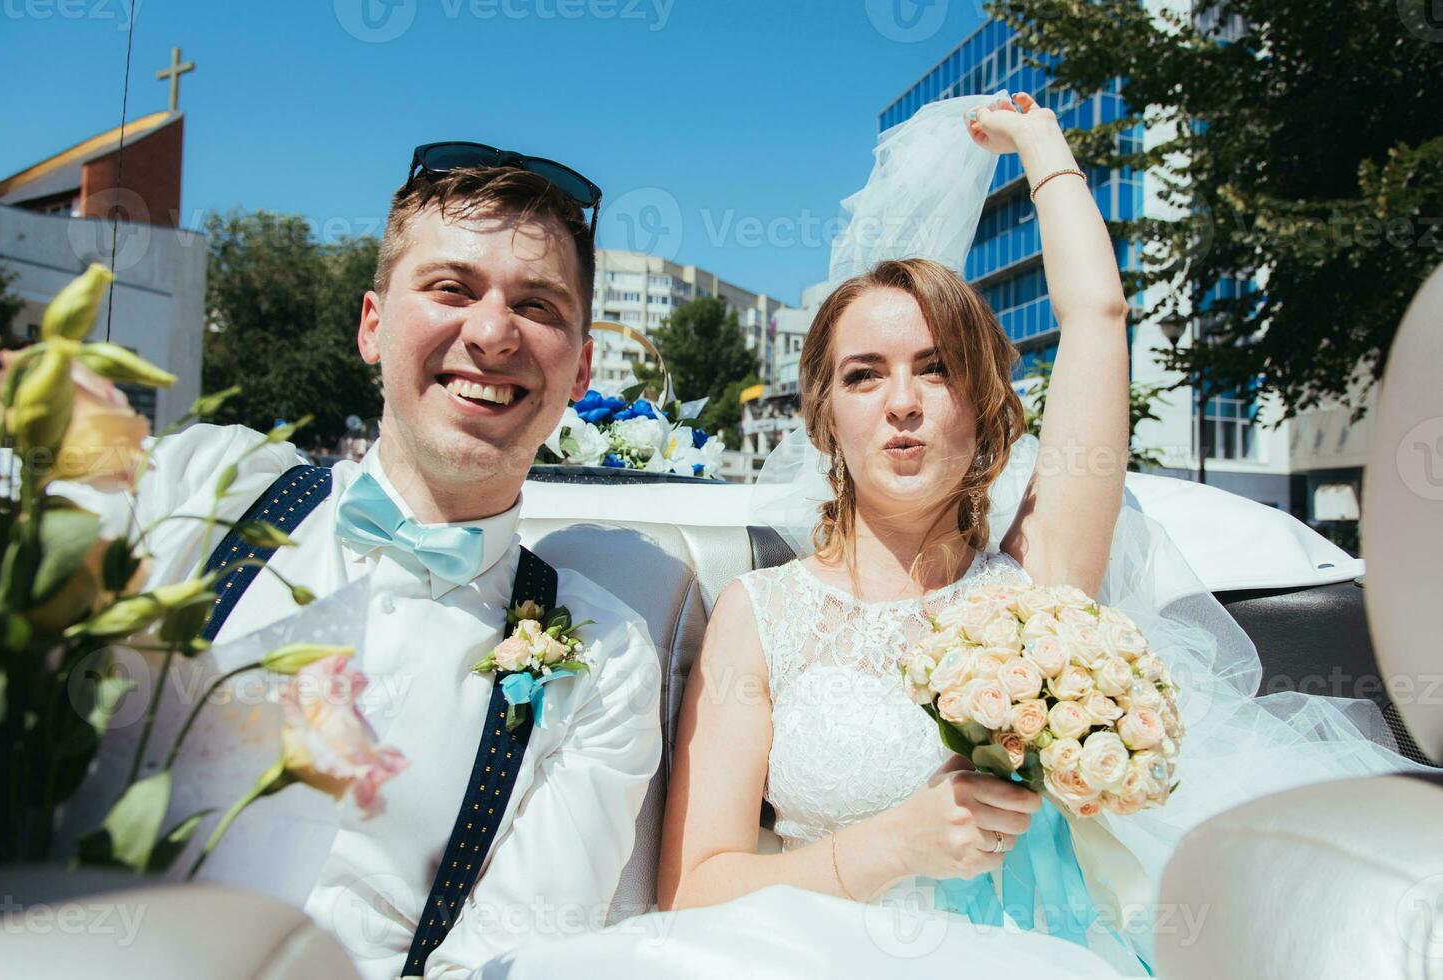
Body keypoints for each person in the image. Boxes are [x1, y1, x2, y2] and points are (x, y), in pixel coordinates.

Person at [499, 92, 1422, 977]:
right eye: (864, 376)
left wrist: (1046, 154)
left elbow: (1097, 319)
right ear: (826, 419)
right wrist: (891, 846)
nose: (901, 403)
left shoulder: (1041, 579)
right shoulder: (758, 616)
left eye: (935, 370)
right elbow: (696, 895)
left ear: (982, 409)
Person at [68, 152, 662, 978]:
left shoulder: (606, 661)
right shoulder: (202, 485)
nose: (492, 334)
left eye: (537, 305)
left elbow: (513, 959)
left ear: (583, 370)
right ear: (372, 325)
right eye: (453, 289)